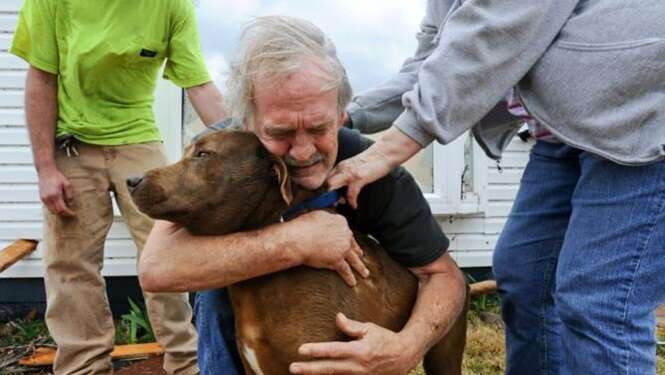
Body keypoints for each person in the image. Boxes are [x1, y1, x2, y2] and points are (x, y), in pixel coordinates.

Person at [327, 0, 665, 373]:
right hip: (565, 135)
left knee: (600, 297)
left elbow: (498, 27)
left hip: (642, 119)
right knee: (527, 277)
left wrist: (392, 146)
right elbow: (433, 64)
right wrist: (341, 117)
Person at [138, 15, 467, 374]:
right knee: (214, 287)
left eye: (317, 127)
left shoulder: (372, 167)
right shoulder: (227, 151)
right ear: (247, 123)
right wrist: (295, 241)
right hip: (248, 302)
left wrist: (404, 348)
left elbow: (444, 276)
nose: (301, 151)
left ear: (341, 116)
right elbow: (158, 268)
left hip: (343, 304)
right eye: (280, 131)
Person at [11, 0, 227, 373]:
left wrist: (245, 145)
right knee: (71, 264)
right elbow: (40, 79)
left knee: (169, 249)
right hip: (72, 142)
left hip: (138, 138)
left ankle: (187, 363)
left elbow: (199, 85)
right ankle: (84, 366)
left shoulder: (172, 6)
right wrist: (45, 169)